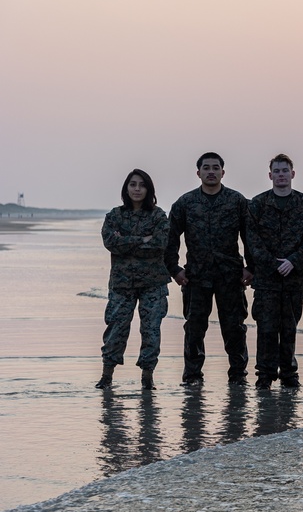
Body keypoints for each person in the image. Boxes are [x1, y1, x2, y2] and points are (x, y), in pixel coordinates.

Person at [166, 152, 253, 387]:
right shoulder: (185, 203)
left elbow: (250, 237)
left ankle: (238, 375)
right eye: (206, 168)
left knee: (234, 328)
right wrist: (175, 270)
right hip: (196, 277)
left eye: (216, 168)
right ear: (198, 173)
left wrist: (250, 268)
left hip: (230, 276)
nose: (211, 172)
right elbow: (171, 238)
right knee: (194, 328)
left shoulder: (237, 201)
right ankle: (193, 376)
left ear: (223, 172)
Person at [246, 154, 303, 390]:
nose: (281, 175)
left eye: (285, 170)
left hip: (294, 279)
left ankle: (289, 374)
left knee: (289, 328)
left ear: (292, 174)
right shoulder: (257, 204)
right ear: (270, 176)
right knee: (266, 330)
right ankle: (264, 376)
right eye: (276, 171)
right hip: (266, 279)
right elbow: (252, 242)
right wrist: (273, 263)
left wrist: (293, 261)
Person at [95, 169, 171, 390]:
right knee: (116, 329)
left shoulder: (158, 216)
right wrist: (142, 239)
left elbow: (159, 244)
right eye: (133, 184)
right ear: (126, 188)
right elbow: (110, 242)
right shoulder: (114, 216)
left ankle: (147, 378)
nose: (137, 189)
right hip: (122, 284)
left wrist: (126, 241)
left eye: (142, 185)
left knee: (151, 331)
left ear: (149, 189)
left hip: (153, 284)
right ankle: (107, 376)